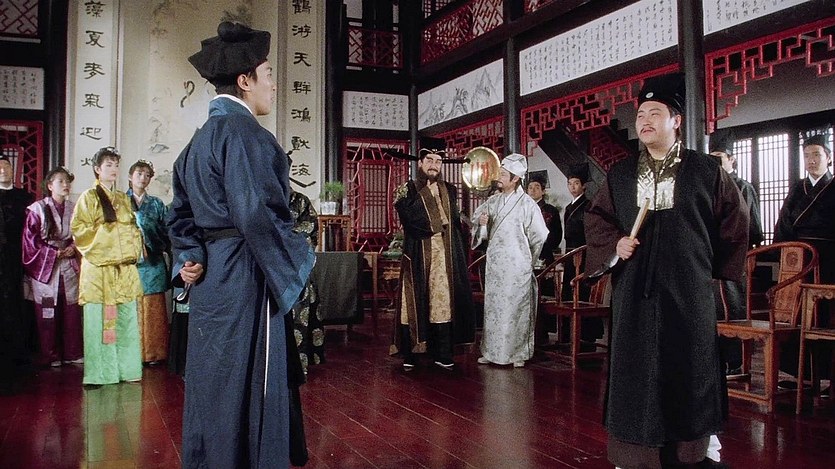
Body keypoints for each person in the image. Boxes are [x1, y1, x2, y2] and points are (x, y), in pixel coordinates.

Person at [167, 21, 315, 468]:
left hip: (210, 281)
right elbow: (257, 214)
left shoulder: (196, 143)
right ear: (246, 81)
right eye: (268, 74)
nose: (274, 84)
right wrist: (299, 259)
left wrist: (190, 257)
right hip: (247, 273)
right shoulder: (247, 135)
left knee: (213, 379)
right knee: (252, 380)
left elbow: (180, 215)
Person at [584, 73, 748, 469]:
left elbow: (736, 221)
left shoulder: (706, 171)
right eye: (640, 115)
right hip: (634, 288)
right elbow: (597, 218)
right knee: (635, 366)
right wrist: (615, 245)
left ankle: (691, 452)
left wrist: (702, 264)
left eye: (654, 114)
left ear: (676, 120)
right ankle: (635, 456)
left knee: (690, 365)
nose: (644, 121)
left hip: (688, 288)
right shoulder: (621, 174)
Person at [391, 147, 475, 371]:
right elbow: (410, 221)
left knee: (443, 302)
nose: (434, 165)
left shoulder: (449, 189)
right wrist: (428, 194)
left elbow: (454, 222)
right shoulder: (407, 189)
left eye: (438, 161)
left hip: (445, 254)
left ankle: (443, 352)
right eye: (429, 160)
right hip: (418, 252)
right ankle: (411, 353)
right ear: (420, 163)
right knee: (414, 300)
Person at [71, 147, 144, 385]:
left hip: (123, 271)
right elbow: (80, 232)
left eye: (116, 165)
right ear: (97, 169)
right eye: (108, 165)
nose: (113, 169)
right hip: (99, 270)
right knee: (98, 321)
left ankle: (127, 370)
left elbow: (133, 231)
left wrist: (129, 243)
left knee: (125, 320)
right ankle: (100, 373)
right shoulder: (88, 197)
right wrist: (113, 237)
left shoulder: (123, 198)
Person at [472, 153, 549, 368]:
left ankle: (516, 353)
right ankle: (492, 351)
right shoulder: (493, 201)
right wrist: (482, 223)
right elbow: (477, 226)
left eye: (504, 174)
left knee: (515, 309)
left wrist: (528, 259)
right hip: (496, 265)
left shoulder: (527, 204)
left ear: (515, 179)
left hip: (517, 266)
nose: (499, 177)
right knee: (494, 309)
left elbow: (540, 235)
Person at [773, 134, 834, 392]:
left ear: (828, 158)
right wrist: (784, 251)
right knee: (797, 314)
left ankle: (827, 378)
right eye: (807, 155)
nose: (811, 160)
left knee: (824, 317)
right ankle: (799, 376)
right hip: (799, 258)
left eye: (816, 155)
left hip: (829, 259)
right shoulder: (798, 188)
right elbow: (784, 222)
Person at [709, 137, 763, 376]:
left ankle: (736, 362)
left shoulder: (743, 187)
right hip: (710, 256)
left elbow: (750, 227)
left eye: (719, 157)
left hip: (734, 256)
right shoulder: (709, 185)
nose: (715, 162)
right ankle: (715, 362)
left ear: (732, 159)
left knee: (732, 306)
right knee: (712, 309)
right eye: (711, 158)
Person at [22, 168, 83, 367]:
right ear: (50, 186)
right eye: (60, 181)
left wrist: (73, 247)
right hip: (47, 265)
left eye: (67, 181)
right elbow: (30, 241)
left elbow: (82, 234)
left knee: (71, 310)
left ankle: (73, 352)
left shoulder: (75, 208)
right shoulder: (37, 209)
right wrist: (53, 253)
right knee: (48, 311)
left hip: (68, 263)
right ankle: (50, 354)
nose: (66, 185)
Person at [127, 160, 170, 365]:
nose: (143, 178)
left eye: (147, 175)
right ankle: (131, 353)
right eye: (139, 174)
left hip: (152, 262)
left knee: (153, 309)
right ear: (130, 176)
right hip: (129, 263)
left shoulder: (157, 204)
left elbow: (166, 231)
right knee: (129, 308)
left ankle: (154, 353)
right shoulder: (120, 202)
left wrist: (148, 233)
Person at [0, 156, 35, 379]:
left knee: (18, 302)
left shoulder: (25, 198)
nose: (3, 170)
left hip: (19, 257)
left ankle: (19, 353)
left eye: (6, 166)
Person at [561, 163, 603, 347]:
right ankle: (567, 335)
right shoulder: (568, 208)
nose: (573, 187)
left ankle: (586, 336)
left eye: (576, 183)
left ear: (583, 185)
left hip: (583, 255)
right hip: (570, 254)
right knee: (567, 294)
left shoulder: (588, 206)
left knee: (582, 293)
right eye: (570, 184)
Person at [289, 189, 325, 374]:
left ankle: (299, 366)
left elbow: (309, 233)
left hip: (296, 269)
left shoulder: (299, 200)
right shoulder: (256, 196)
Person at [527, 174, 561, 265]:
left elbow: (556, 236)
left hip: (544, 254)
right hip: (525, 254)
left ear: (543, 191)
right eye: (530, 187)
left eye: (537, 187)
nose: (533, 190)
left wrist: (542, 247)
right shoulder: (522, 210)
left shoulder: (551, 211)